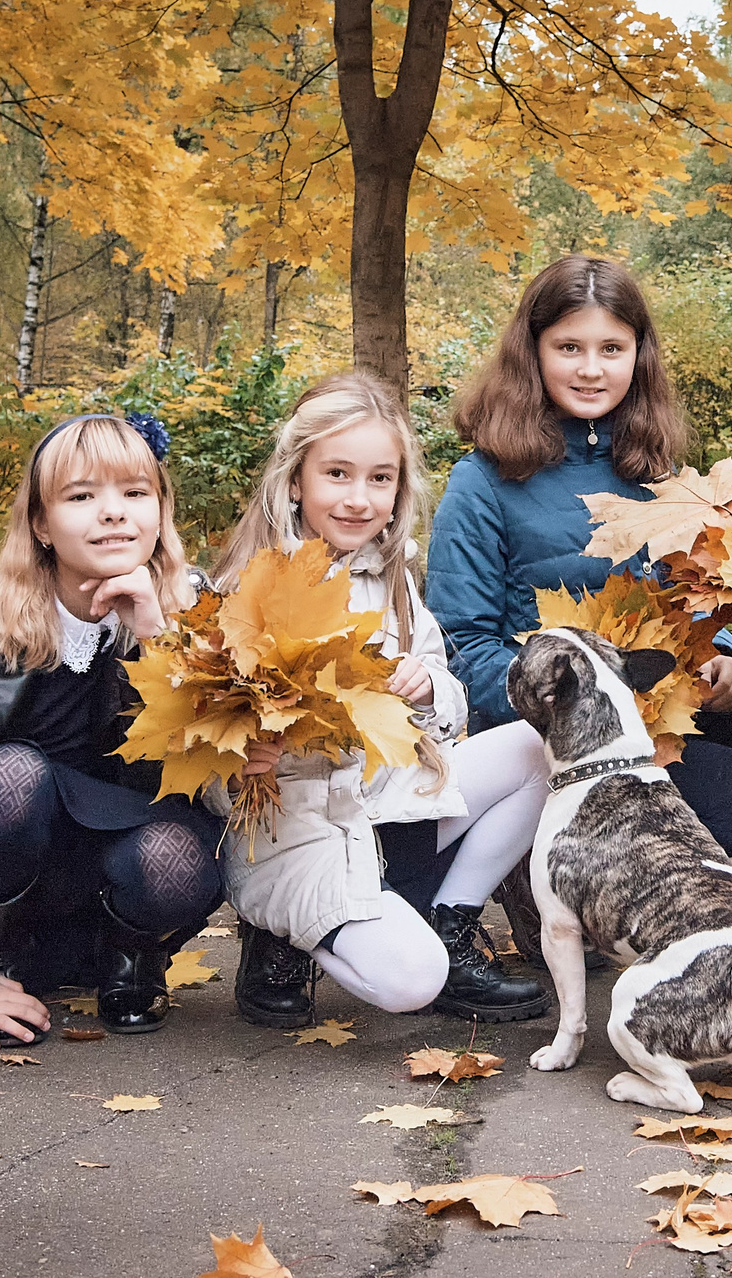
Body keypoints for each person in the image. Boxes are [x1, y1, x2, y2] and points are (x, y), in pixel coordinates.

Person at [425, 257, 732, 972]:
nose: (590, 368)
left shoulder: (662, 475)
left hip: (661, 719)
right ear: (533, 351)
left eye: (611, 348)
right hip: (551, 737)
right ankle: (536, 870)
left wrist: (727, 652)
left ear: (639, 356)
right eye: (569, 347)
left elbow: (702, 597)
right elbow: (464, 647)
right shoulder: (482, 481)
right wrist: (578, 699)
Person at [214, 373, 552, 1031]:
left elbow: (443, 706)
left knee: (536, 746)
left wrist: (429, 686)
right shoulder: (246, 588)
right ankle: (278, 930)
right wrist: (256, 749)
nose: (358, 498)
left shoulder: (392, 576)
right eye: (337, 474)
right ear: (295, 480)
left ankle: (451, 922)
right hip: (300, 833)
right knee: (408, 981)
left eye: (379, 478)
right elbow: (209, 754)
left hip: (386, 806)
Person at [0, 413, 222, 1049]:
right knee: (15, 774)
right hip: (11, 868)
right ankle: (6, 960)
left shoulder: (197, 606)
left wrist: (157, 639)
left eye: (135, 493)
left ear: (161, 509)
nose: (113, 513)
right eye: (82, 496)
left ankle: (129, 959)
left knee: (176, 854)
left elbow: (224, 763)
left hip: (132, 853)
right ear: (40, 523)